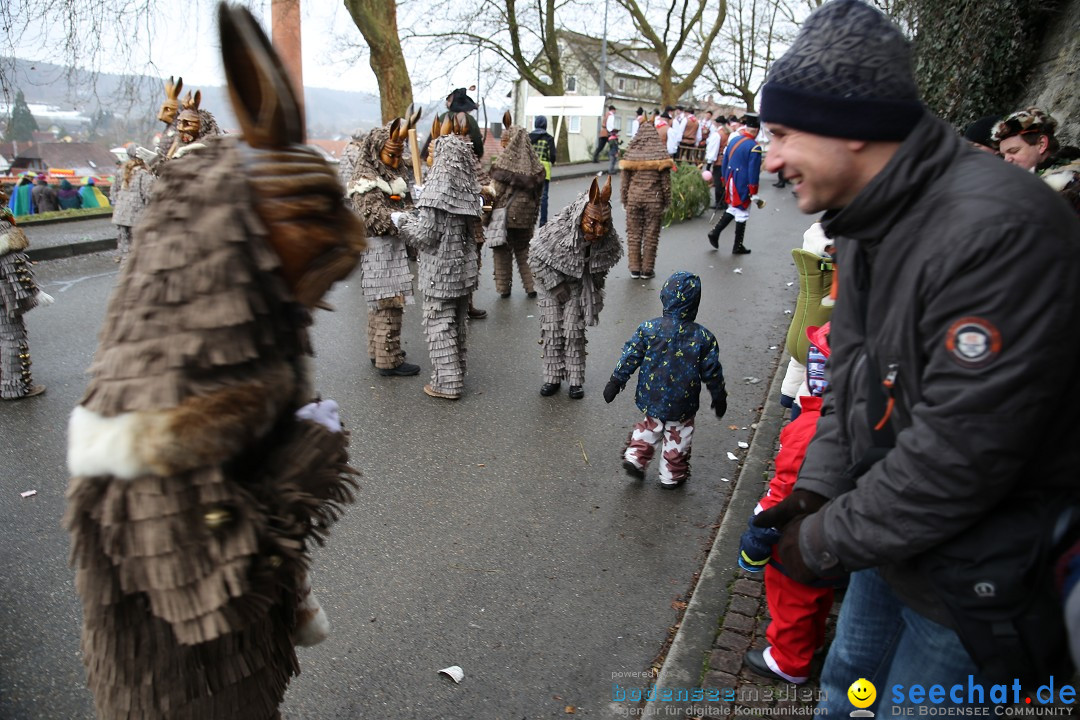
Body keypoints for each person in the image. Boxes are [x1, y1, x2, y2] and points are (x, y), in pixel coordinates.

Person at [752, 0, 1080, 713]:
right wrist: (817, 488)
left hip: (975, 575)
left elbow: (963, 457)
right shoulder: (874, 215)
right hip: (890, 541)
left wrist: (822, 540)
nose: (769, 157)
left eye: (781, 133)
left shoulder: (999, 231)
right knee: (846, 693)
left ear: (852, 129)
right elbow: (851, 377)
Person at [64, 7, 365, 718]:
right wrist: (308, 461)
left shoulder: (234, 363)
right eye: (309, 219)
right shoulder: (154, 414)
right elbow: (209, 585)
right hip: (184, 692)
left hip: (242, 674)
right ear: (236, 239)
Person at [740, 324, 842, 685]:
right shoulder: (856, 419)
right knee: (819, 593)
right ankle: (812, 642)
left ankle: (788, 660)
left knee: (791, 597)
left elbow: (786, 488)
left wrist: (759, 525)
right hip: (835, 533)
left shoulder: (810, 427)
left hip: (799, 537)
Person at [603, 270, 726, 488]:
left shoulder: (649, 329)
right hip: (683, 400)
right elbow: (711, 370)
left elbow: (631, 355)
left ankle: (636, 456)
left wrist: (616, 381)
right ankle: (671, 474)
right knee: (679, 434)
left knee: (651, 425)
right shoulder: (703, 337)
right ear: (694, 304)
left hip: (652, 394)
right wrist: (718, 395)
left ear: (664, 297)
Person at [397, 114, 482, 400]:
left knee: (439, 323)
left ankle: (447, 383)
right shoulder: (467, 188)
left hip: (440, 269)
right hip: (464, 267)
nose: (428, 155)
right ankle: (455, 372)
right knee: (456, 323)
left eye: (432, 151)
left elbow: (425, 236)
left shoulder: (436, 189)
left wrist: (403, 221)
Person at [529, 176, 622, 400]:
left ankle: (575, 380)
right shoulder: (559, 229)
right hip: (551, 285)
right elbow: (535, 256)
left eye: (604, 225)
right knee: (552, 330)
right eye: (593, 223)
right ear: (582, 217)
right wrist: (555, 284)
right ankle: (552, 377)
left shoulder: (605, 238)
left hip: (578, 286)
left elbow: (602, 266)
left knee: (573, 331)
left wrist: (595, 290)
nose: (599, 231)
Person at [347, 116, 422, 378]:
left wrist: (413, 209)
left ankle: (377, 351)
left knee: (380, 304)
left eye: (397, 155)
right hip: (379, 248)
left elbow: (405, 204)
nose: (394, 161)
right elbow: (373, 214)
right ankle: (388, 360)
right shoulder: (365, 178)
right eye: (390, 155)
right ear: (376, 150)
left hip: (393, 246)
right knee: (388, 302)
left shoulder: (394, 173)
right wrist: (401, 217)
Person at [488, 116, 545, 299]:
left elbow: (494, 192)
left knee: (502, 252)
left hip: (504, 217)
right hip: (526, 218)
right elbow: (539, 195)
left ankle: (504, 289)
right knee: (524, 251)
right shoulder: (536, 167)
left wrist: (485, 217)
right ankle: (531, 287)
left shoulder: (504, 166)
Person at [0, 204, 51, 399]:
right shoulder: (4, 229)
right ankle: (14, 387)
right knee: (12, 338)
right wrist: (34, 292)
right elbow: (14, 266)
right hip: (3, 298)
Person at [993, 107, 1080, 217]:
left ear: (1042, 144)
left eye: (1013, 151)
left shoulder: (1071, 183)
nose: (1007, 160)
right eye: (1003, 155)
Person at [618, 117, 675, 279]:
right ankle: (647, 270)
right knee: (651, 234)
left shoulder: (631, 155)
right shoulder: (660, 155)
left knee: (633, 233)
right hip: (654, 201)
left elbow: (624, 183)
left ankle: (634, 268)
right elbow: (666, 184)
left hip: (634, 199)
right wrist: (667, 201)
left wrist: (624, 200)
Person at [706, 112, 762, 254]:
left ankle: (716, 233)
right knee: (742, 210)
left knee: (733, 208)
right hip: (743, 183)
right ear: (756, 130)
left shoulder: (734, 141)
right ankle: (737, 245)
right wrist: (753, 190)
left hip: (731, 179)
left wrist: (725, 179)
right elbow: (753, 171)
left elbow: (725, 161)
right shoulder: (754, 146)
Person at [110, 145, 154, 255]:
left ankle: (124, 267)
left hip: (120, 215)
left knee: (125, 248)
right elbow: (149, 194)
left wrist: (120, 204)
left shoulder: (120, 172)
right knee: (139, 249)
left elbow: (113, 193)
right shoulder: (144, 174)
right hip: (137, 215)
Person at [529, 115, 557, 226]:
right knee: (543, 197)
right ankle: (543, 222)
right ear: (545, 125)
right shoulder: (549, 138)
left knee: (530, 195)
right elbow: (552, 157)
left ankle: (529, 220)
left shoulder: (529, 137)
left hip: (530, 170)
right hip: (544, 171)